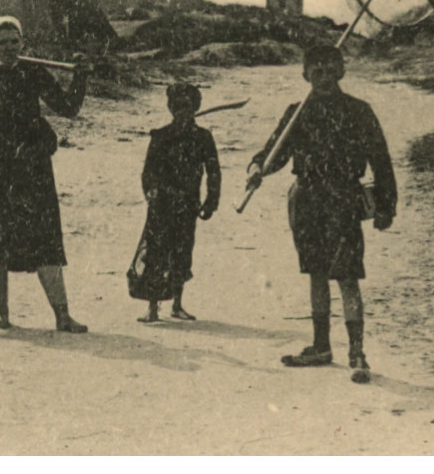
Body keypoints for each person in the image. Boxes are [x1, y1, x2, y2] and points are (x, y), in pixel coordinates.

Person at [247, 45, 397, 379]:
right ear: (305, 75)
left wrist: (387, 206)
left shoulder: (359, 111)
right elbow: (274, 152)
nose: (325, 78)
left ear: (342, 71)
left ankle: (357, 353)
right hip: (307, 198)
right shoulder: (297, 113)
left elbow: (381, 162)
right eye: (317, 72)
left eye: (332, 71)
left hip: (344, 198)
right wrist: (257, 167)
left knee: (346, 275)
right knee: (315, 272)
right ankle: (321, 346)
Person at [0, 15, 90, 332]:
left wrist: (80, 79)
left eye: (15, 42)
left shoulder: (33, 73)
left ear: (22, 43)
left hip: (31, 167)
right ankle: (2, 315)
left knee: (45, 240)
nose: (10, 48)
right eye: (3, 43)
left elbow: (68, 108)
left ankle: (63, 316)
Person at [129, 82, 220, 323]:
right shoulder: (161, 136)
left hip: (189, 205)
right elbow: (148, 171)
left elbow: (213, 171)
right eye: (177, 107)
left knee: (182, 253)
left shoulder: (203, 138)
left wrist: (211, 201)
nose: (182, 112)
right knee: (155, 253)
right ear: (171, 108)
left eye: (187, 107)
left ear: (195, 108)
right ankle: (152, 307)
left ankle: (177, 305)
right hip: (162, 204)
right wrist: (150, 192)